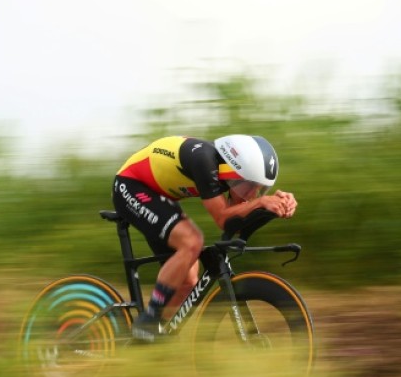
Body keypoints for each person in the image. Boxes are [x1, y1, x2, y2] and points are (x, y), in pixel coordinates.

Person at [111, 134, 298, 341]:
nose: (252, 195)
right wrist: (262, 203)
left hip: (157, 194)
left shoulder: (224, 171)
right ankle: (150, 318)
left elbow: (236, 223)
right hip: (130, 185)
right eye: (250, 186)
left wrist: (276, 206)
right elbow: (222, 219)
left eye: (260, 189)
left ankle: (152, 339)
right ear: (234, 172)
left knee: (188, 280)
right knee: (192, 242)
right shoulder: (204, 160)